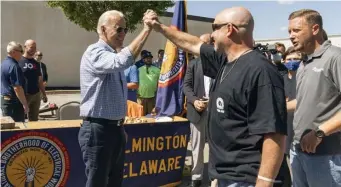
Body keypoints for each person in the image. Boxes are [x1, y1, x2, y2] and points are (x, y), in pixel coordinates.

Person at [145, 7, 287, 187]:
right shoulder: (224, 61)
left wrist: (265, 182)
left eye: (215, 27)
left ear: (229, 29)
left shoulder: (261, 71)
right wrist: (160, 28)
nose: (211, 34)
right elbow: (193, 44)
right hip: (224, 174)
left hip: (247, 178)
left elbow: (274, 133)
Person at [78, 10, 155, 187]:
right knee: (97, 182)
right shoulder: (95, 52)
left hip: (114, 129)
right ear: (103, 29)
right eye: (119, 29)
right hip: (98, 130)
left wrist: (119, 127)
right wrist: (146, 29)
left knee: (115, 181)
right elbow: (122, 61)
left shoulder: (111, 54)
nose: (123, 34)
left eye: (125, 30)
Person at [287, 9, 341, 187]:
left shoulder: (334, 57)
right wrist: (276, 106)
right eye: (289, 32)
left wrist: (320, 132)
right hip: (298, 150)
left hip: (325, 154)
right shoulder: (304, 63)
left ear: (315, 29)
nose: (291, 36)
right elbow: (303, 101)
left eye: (296, 30)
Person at [183, 33, 213, 187]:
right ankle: (196, 177)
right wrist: (194, 101)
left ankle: (215, 178)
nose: (205, 46)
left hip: (216, 111)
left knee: (216, 146)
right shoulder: (194, 64)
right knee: (197, 146)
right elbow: (186, 86)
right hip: (198, 110)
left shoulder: (220, 63)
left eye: (208, 43)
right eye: (203, 43)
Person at [19, 39, 47, 121]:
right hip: (24, 95)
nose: (33, 49)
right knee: (20, 119)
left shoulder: (36, 63)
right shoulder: (19, 61)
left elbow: (40, 80)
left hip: (36, 95)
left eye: (35, 47)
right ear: (25, 47)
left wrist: (44, 94)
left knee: (34, 120)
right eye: (31, 47)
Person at [1, 41, 29, 122]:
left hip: (5, 100)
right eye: (21, 51)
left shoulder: (3, 63)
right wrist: (25, 104)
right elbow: (17, 88)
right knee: (17, 129)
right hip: (13, 103)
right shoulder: (14, 66)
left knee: (7, 128)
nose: (22, 54)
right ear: (13, 52)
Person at [137, 51, 160, 116]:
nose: (148, 59)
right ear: (143, 60)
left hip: (152, 97)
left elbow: (160, 83)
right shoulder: (138, 70)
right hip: (141, 97)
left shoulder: (157, 70)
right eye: (146, 58)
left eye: (150, 58)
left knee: (152, 116)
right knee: (141, 116)